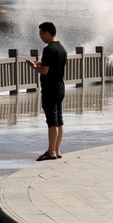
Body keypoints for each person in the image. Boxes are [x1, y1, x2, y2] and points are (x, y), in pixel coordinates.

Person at [26, 22, 67, 161]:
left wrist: (34, 67)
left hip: (50, 88)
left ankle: (51, 151)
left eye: (41, 34)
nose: (40, 37)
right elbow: (52, 67)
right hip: (60, 87)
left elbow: (44, 71)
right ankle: (57, 149)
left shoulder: (48, 49)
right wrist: (42, 64)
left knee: (52, 121)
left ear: (47, 33)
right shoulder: (62, 49)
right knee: (59, 120)